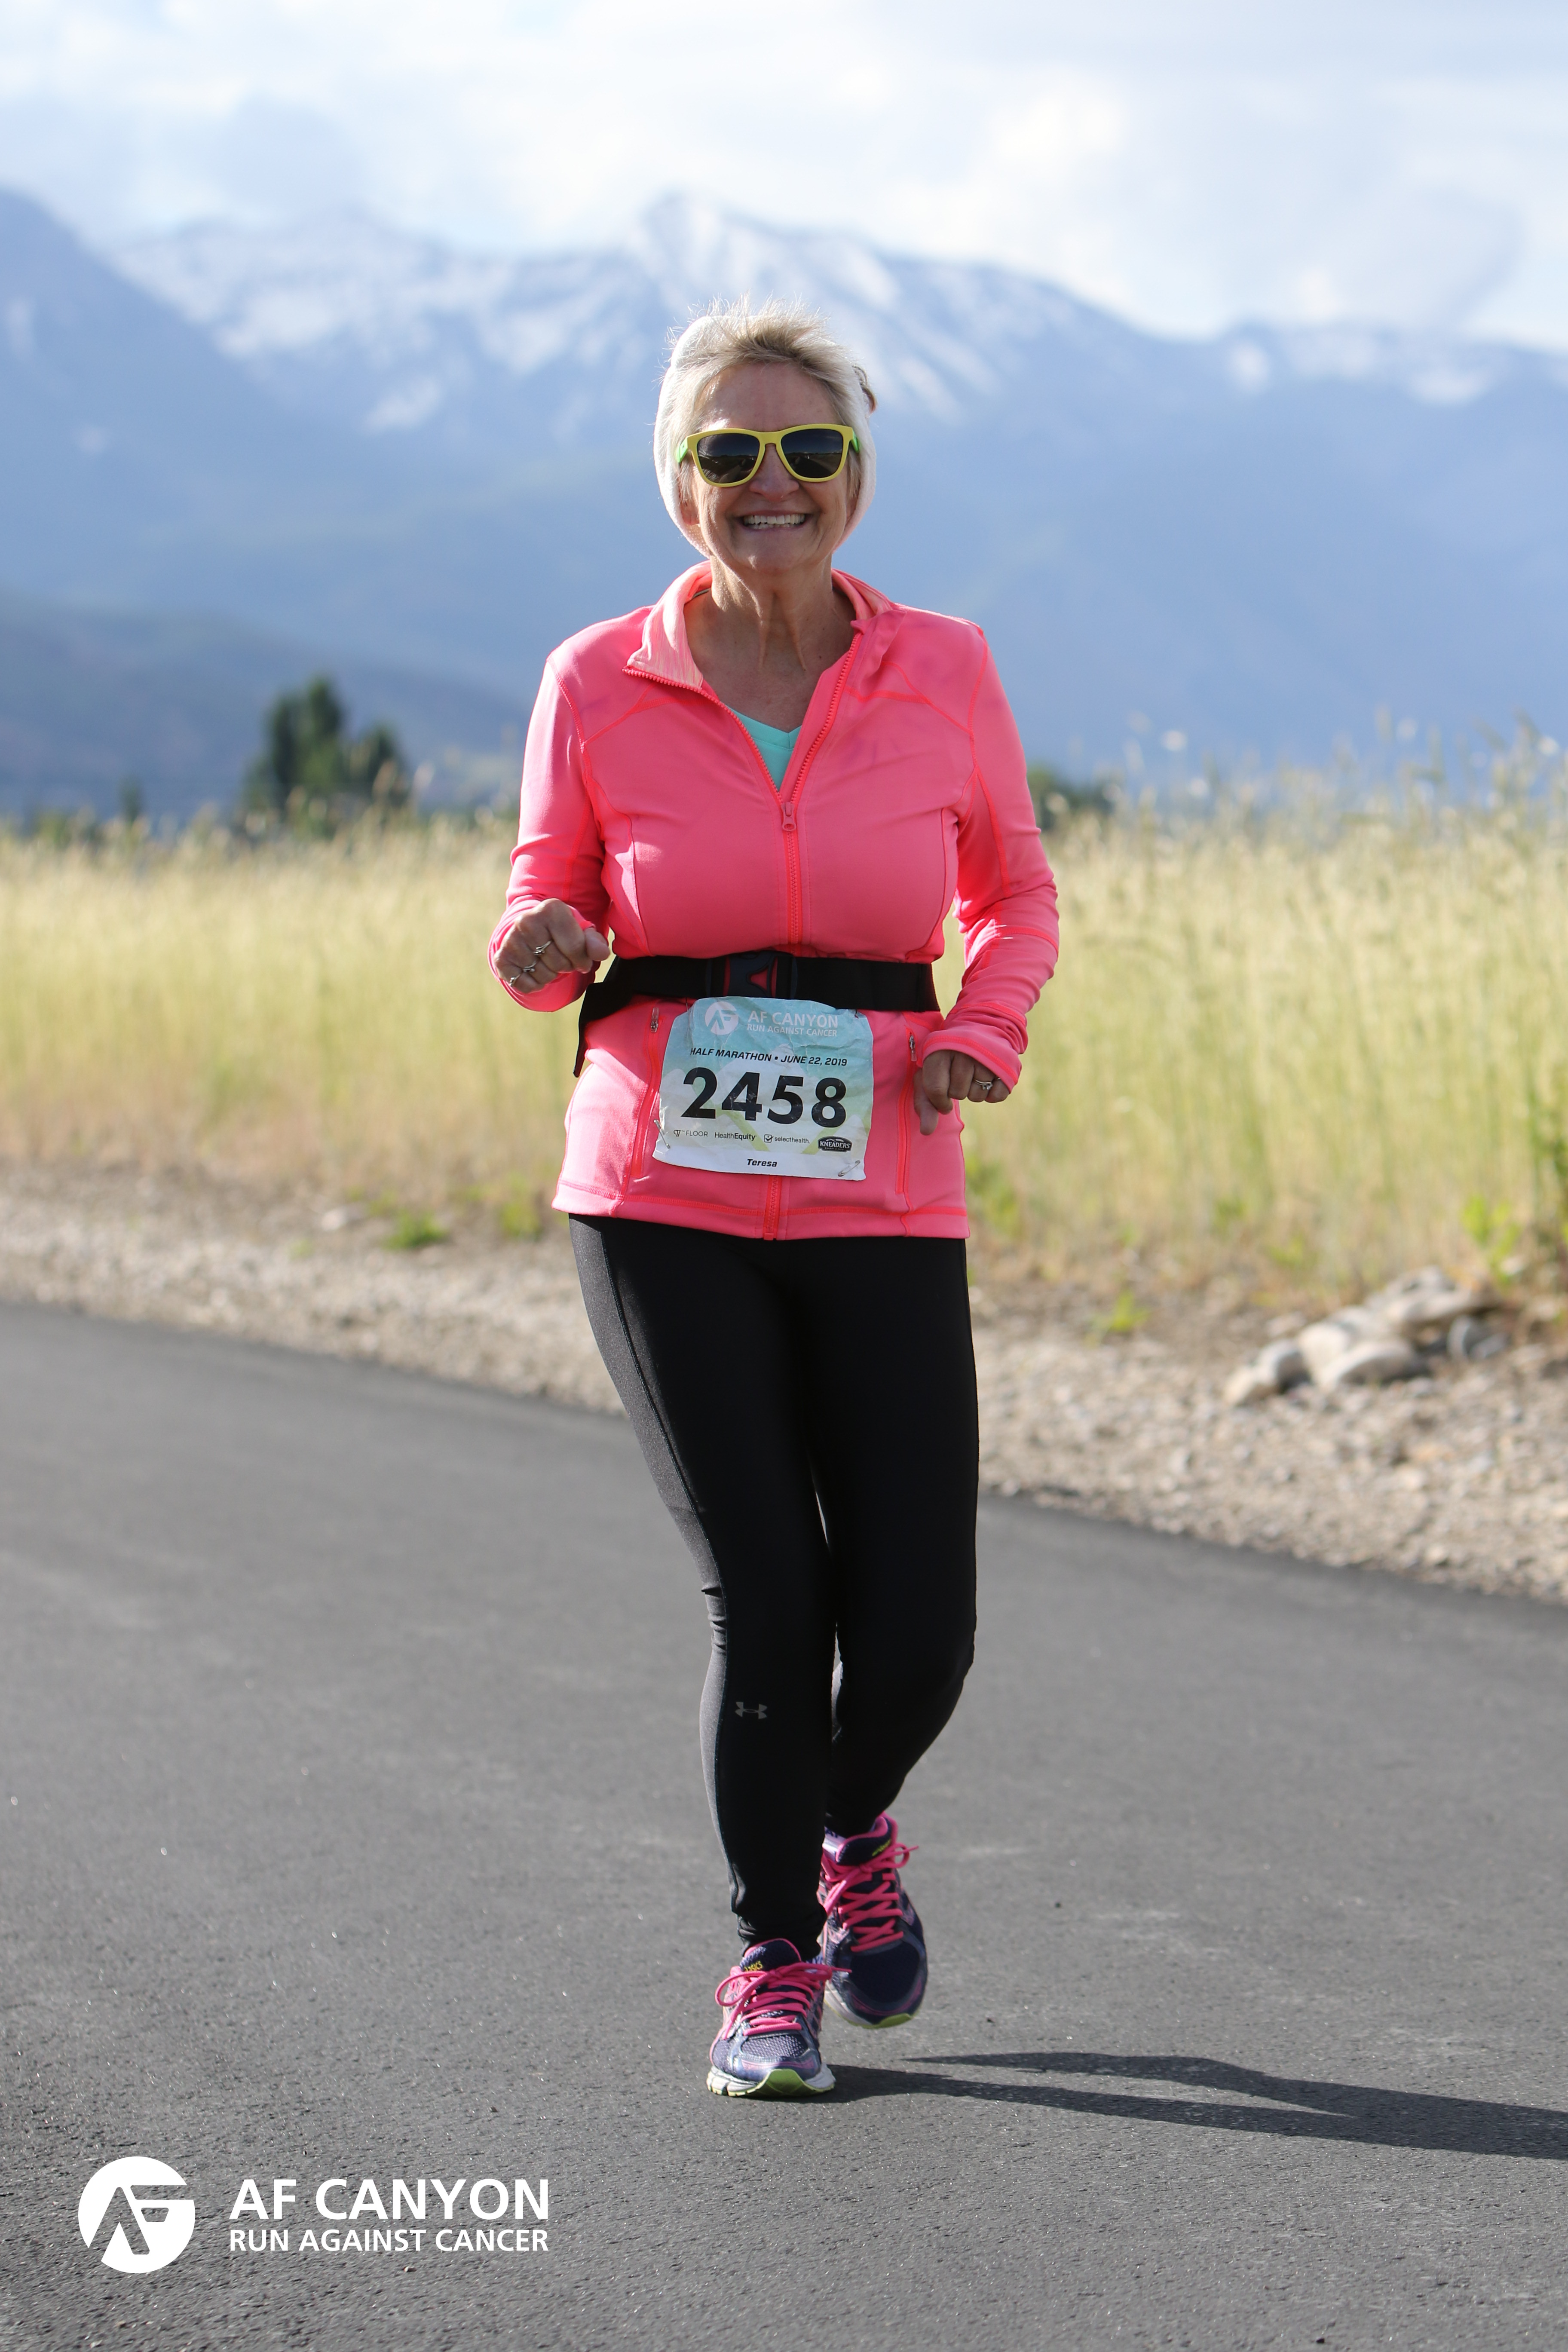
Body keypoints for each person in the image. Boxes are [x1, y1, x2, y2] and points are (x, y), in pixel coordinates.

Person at [489, 298, 1059, 2097]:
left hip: (887, 1179)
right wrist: (538, 942)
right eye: (729, 451)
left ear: (857, 474)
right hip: (659, 1189)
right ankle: (772, 1967)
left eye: (809, 447)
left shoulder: (947, 668)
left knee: (920, 1627)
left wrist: (983, 1027)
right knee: (770, 1600)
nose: (773, 481)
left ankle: (850, 1818)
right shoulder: (597, 677)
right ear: (681, 481)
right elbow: (543, 903)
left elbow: (1016, 898)